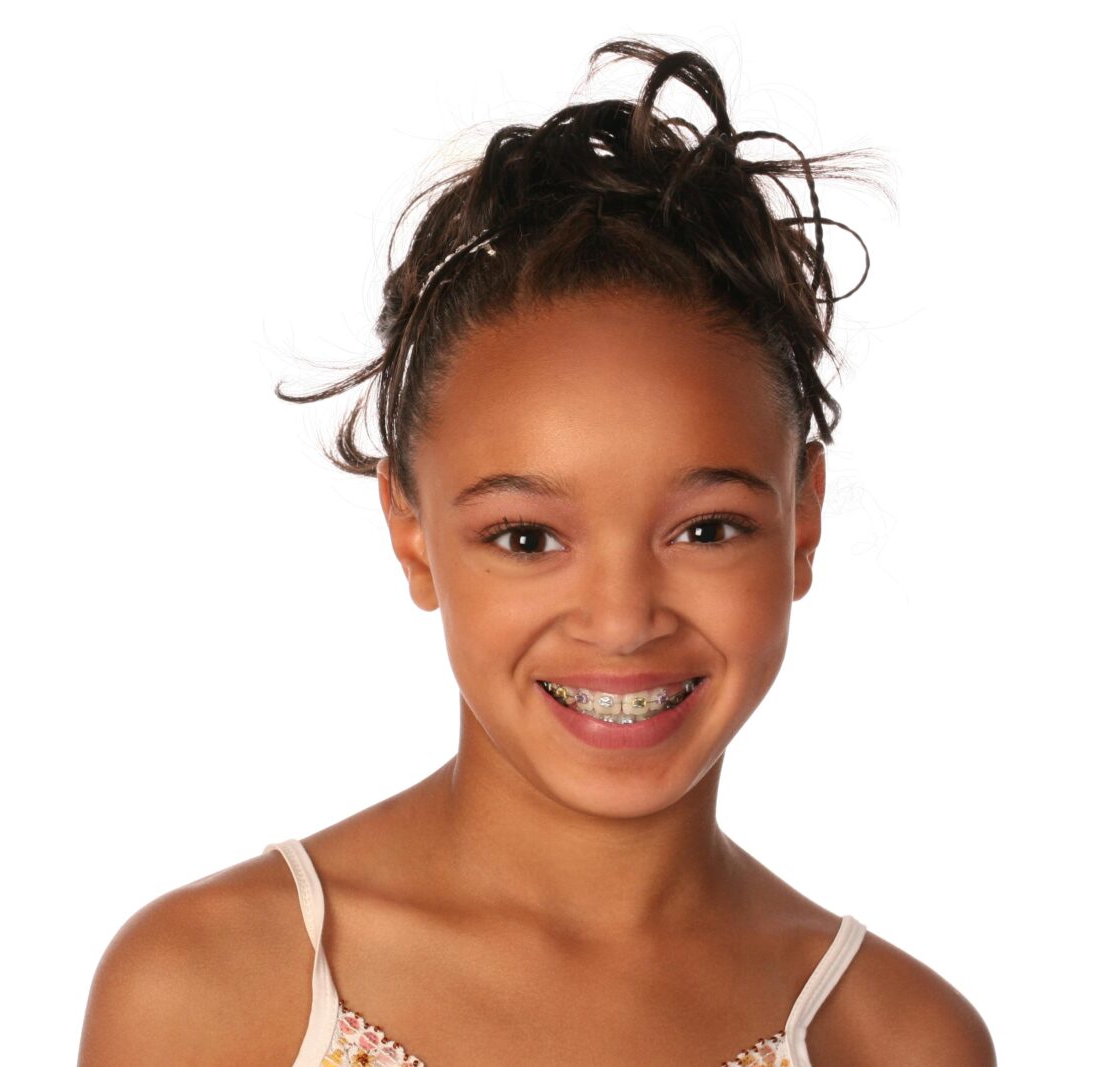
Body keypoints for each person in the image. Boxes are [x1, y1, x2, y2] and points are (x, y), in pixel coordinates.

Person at [76, 38, 995, 1067]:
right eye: (526, 536)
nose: (621, 616)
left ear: (802, 520)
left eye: (706, 528)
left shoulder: (895, 1039)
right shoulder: (215, 985)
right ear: (410, 530)